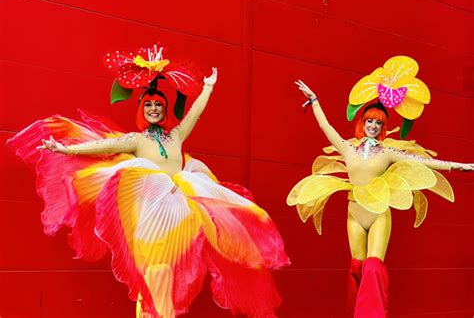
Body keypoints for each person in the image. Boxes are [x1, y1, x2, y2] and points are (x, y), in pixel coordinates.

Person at [8, 44, 289, 318]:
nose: (154, 108)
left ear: (164, 110)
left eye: (158, 105)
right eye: (149, 105)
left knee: (173, 271)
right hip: (150, 218)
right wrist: (66, 149)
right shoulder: (137, 140)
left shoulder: (176, 136)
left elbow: (195, 114)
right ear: (142, 110)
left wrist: (209, 88)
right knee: (152, 274)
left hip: (178, 215)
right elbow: (102, 148)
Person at [287, 56, 473, 317]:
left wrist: (458, 165)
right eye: (369, 121)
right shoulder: (347, 148)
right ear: (362, 124)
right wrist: (315, 101)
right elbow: (325, 126)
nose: (373, 126)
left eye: (378, 123)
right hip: (354, 212)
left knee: (374, 267)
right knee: (357, 267)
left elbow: (422, 161)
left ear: (383, 127)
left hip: (378, 215)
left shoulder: (387, 153)